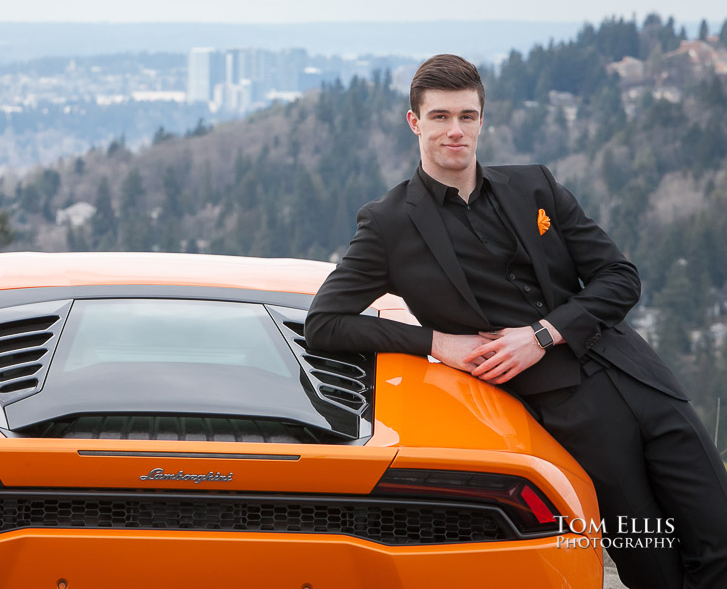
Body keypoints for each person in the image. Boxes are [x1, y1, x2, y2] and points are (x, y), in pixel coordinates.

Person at [305, 54, 727, 589]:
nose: (454, 131)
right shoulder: (388, 224)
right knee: (654, 564)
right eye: (439, 117)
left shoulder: (535, 186)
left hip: (643, 382)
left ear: (482, 119)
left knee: (719, 542)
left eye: (466, 116)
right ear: (414, 122)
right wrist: (438, 343)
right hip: (569, 419)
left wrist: (544, 334)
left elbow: (620, 277)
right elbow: (326, 322)